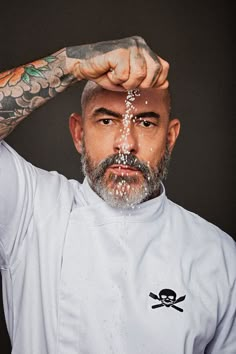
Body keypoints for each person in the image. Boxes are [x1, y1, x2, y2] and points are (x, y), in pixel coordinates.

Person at [0, 36, 235, 354]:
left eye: (145, 122)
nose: (126, 144)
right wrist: (71, 64)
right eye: (107, 120)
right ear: (79, 134)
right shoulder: (31, 210)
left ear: (170, 138)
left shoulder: (219, 256)